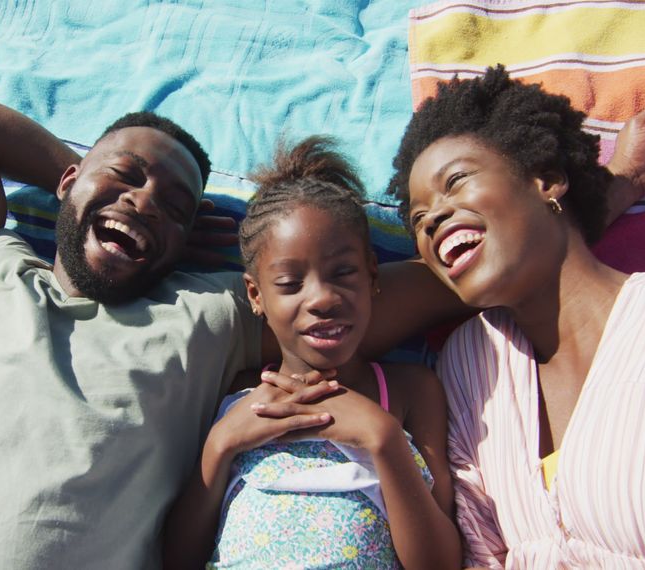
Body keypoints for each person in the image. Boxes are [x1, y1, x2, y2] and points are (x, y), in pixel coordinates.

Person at [0, 81, 645, 568]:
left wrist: (618, 183)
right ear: (66, 180)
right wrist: (90, 170)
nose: (142, 202)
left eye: (175, 205)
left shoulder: (213, 315)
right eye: (122, 179)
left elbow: (471, 268)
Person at [387, 65, 645, 567]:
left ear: (548, 179)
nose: (433, 220)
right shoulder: (470, 366)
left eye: (457, 181)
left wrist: (618, 183)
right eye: (418, 220)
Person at [163, 137, 459, 568]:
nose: (322, 298)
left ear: (372, 274)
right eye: (289, 284)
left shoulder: (410, 391)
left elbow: (441, 564)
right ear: (255, 295)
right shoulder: (240, 393)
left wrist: (384, 439)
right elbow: (175, 560)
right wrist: (220, 445)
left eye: (343, 273)